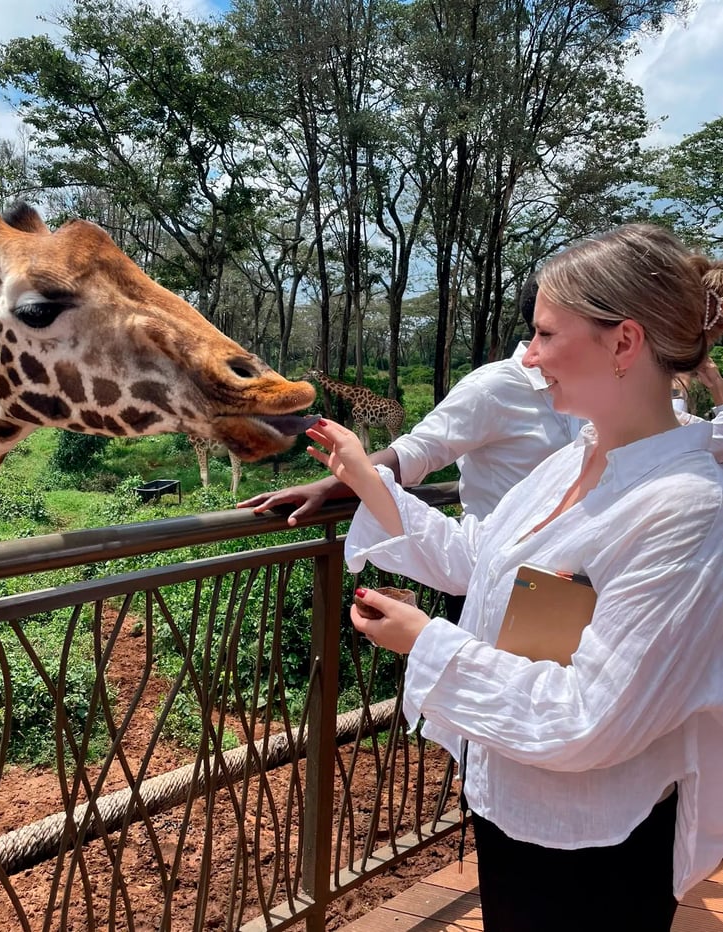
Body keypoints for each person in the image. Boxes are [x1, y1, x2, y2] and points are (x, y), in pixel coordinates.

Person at [303, 223, 723, 932]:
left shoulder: (686, 507)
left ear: (623, 343)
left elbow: (588, 719)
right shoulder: (573, 459)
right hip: (511, 802)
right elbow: (480, 559)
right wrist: (363, 477)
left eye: (545, 334)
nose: (529, 357)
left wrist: (426, 642)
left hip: (595, 843)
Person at [238, 275, 583, 524]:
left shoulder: (593, 395)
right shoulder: (493, 387)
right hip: (493, 574)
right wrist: (327, 486)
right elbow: (415, 452)